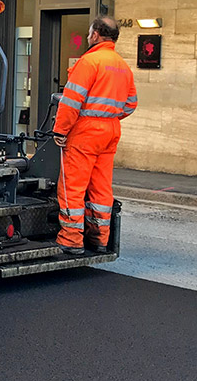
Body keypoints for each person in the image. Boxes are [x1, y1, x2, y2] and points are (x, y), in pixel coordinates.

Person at [52, 16, 137, 256]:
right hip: (110, 131)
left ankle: (71, 239)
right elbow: (131, 104)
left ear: (96, 35)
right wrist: (109, 116)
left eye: (89, 33)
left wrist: (61, 130)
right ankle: (99, 238)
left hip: (85, 132)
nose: (88, 37)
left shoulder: (89, 62)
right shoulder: (122, 66)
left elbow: (71, 101)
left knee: (73, 187)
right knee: (101, 188)